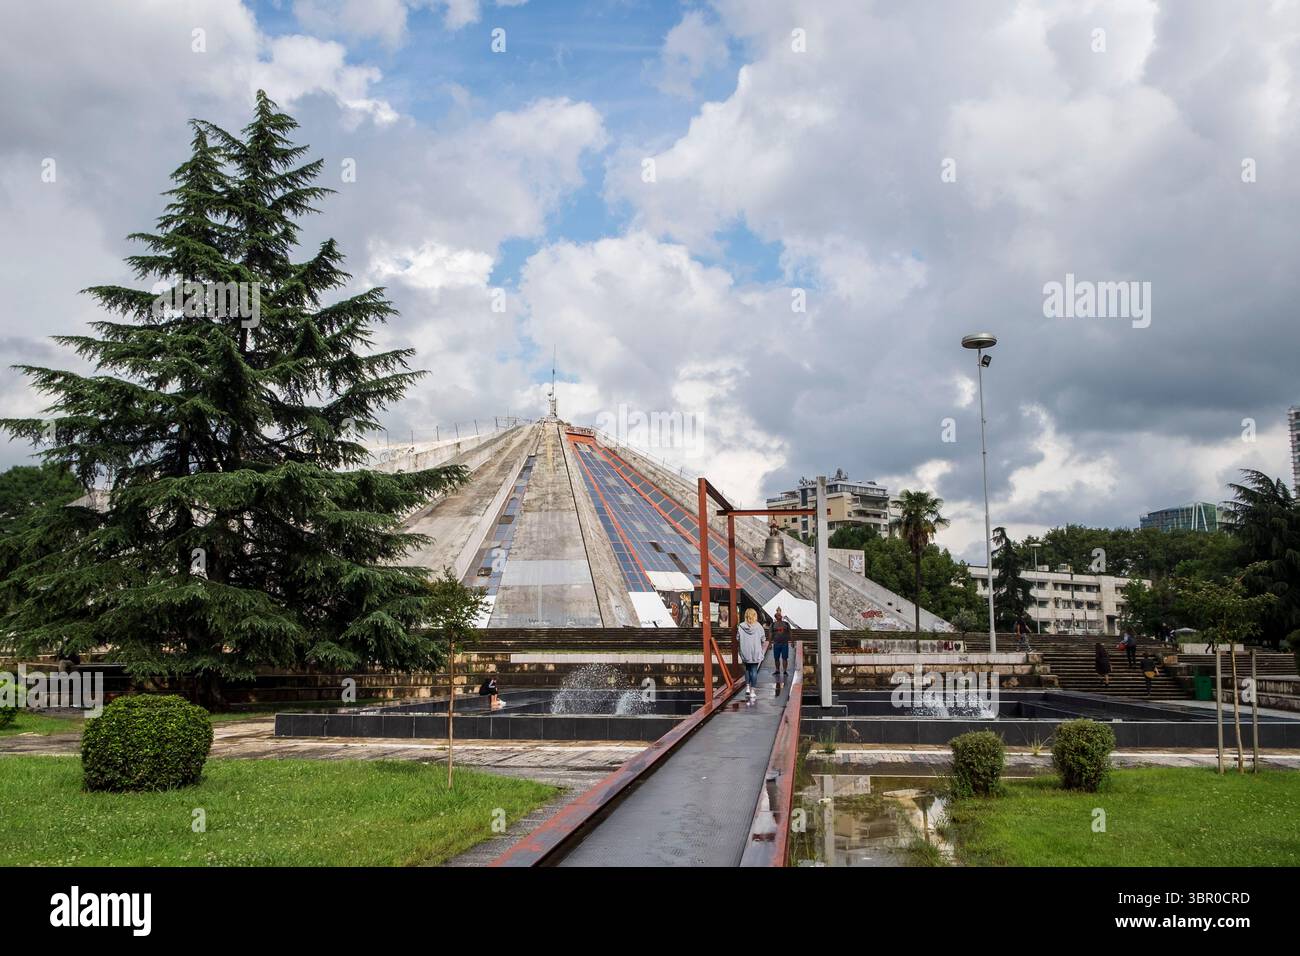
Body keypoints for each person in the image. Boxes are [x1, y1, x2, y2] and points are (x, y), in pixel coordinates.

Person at [737, 608, 767, 703]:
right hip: (755, 651)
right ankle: (753, 692)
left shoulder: (741, 626)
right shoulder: (759, 627)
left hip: (745, 651)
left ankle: (747, 688)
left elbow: (737, 638)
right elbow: (763, 639)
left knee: (747, 669)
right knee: (754, 670)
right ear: (755, 615)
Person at [770, 607, 792, 679]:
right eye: (777, 616)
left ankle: (785, 670)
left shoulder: (786, 624)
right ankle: (777, 670)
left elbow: (790, 632)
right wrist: (770, 643)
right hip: (776, 643)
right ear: (775, 617)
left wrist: (792, 641)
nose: (779, 617)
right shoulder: (773, 625)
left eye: (780, 615)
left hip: (784, 643)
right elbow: (770, 634)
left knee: (784, 658)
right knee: (776, 658)